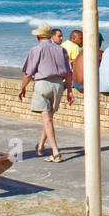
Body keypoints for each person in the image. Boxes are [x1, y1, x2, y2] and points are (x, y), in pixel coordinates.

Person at [18, 22, 74, 161]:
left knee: (47, 118)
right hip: (58, 85)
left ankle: (55, 151)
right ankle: (41, 145)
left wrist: (22, 88)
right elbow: (68, 73)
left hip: (43, 84)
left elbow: (28, 73)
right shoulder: (61, 50)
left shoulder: (36, 49)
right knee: (48, 118)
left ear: (38, 36)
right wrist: (70, 91)